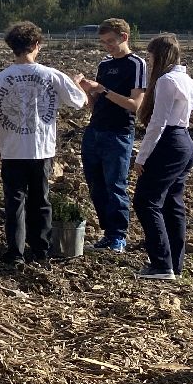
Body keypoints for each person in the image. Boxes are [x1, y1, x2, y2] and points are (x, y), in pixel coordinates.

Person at [0, 21, 88, 266]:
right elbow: (79, 101)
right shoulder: (51, 75)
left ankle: (15, 253)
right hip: (41, 149)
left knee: (14, 202)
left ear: (12, 47)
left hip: (12, 150)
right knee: (41, 200)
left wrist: (4, 141)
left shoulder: (0, 79)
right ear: (37, 44)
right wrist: (76, 82)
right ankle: (41, 251)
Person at [76, 18, 148, 252]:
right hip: (95, 130)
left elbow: (134, 105)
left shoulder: (136, 64)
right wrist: (86, 91)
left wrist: (103, 90)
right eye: (103, 42)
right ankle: (108, 232)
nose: (107, 47)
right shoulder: (105, 64)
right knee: (95, 184)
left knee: (115, 184)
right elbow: (95, 104)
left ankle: (118, 235)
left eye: (110, 42)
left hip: (118, 133)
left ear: (124, 37)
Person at [131, 34, 193, 281]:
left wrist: (142, 156)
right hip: (185, 141)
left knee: (146, 201)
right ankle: (174, 263)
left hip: (169, 142)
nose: (148, 61)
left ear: (159, 56)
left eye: (150, 56)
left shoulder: (166, 81)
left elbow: (158, 122)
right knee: (172, 203)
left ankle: (161, 263)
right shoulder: (187, 79)